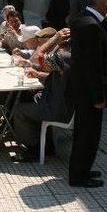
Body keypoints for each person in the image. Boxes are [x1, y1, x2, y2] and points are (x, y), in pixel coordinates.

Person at [68, 0, 107, 187]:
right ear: (100, 4)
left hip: (83, 90)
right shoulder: (91, 26)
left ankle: (83, 169)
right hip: (88, 94)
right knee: (87, 134)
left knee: (86, 133)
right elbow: (92, 67)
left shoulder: (83, 19)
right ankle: (79, 175)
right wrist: (98, 97)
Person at [12, 30, 73, 162]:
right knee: (31, 96)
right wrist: (38, 74)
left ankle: (33, 150)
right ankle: (47, 145)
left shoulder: (63, 57)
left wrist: (55, 39)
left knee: (19, 110)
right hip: (65, 105)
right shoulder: (75, 57)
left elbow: (37, 58)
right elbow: (56, 75)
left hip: (57, 109)